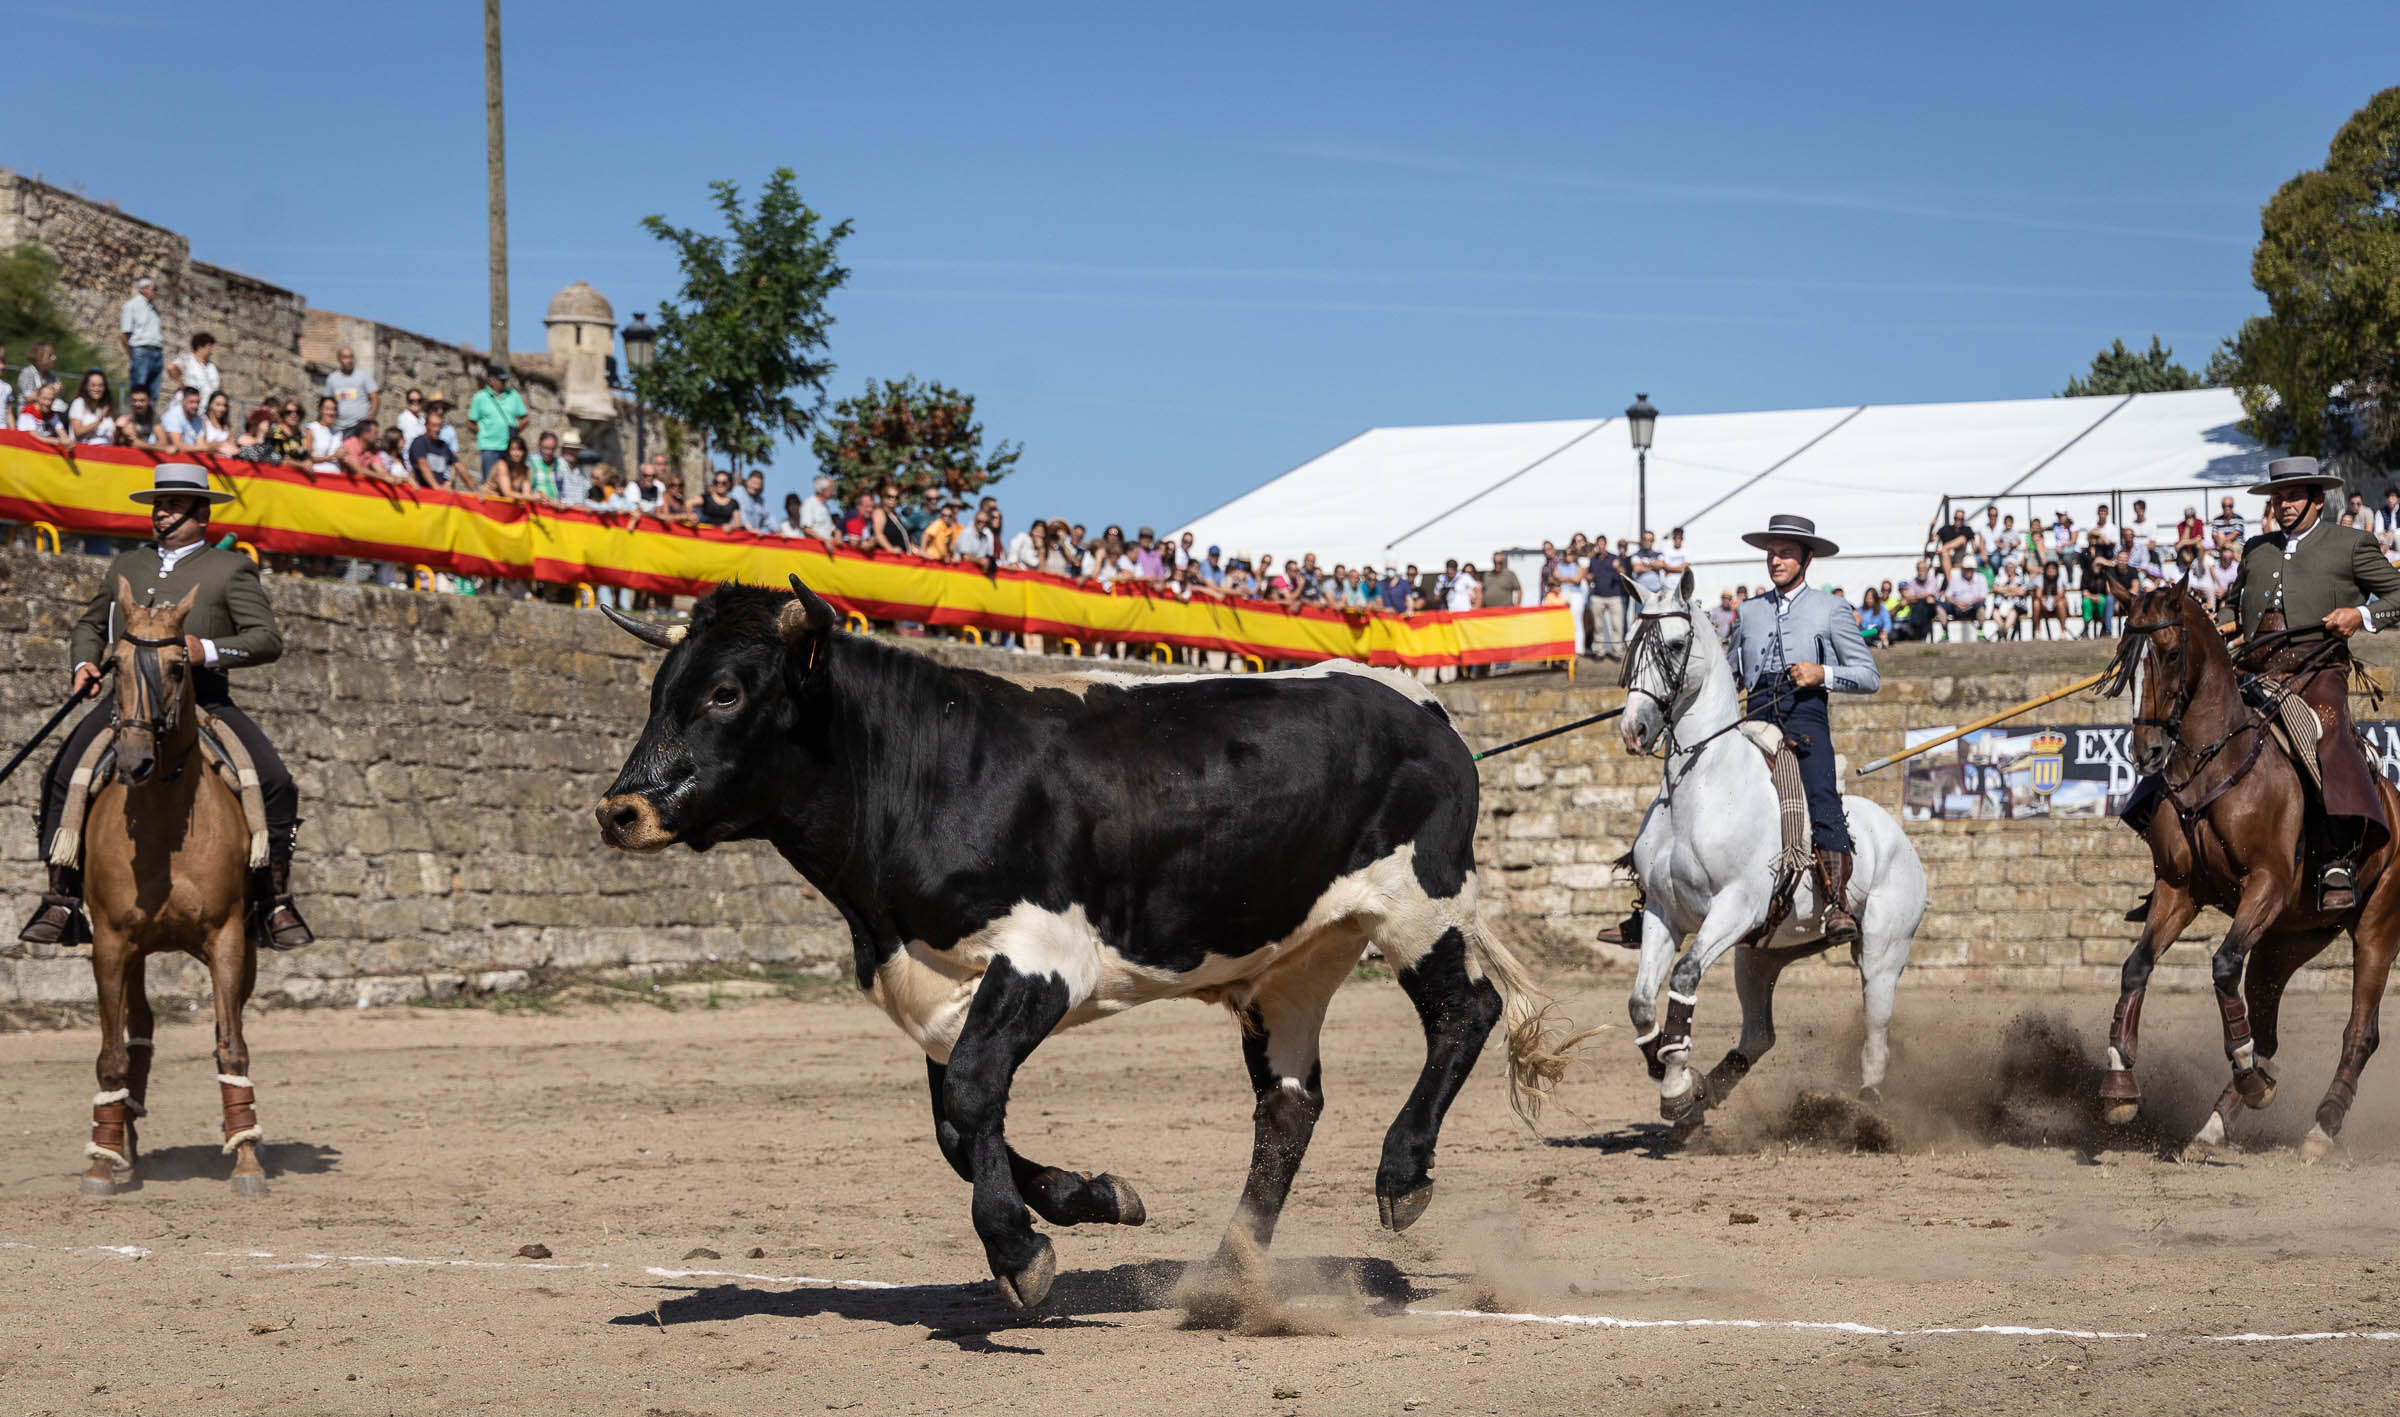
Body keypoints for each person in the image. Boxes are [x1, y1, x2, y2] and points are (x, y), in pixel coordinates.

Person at [14, 463, 312, 952]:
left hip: (204, 701)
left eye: (173, 505)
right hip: (125, 703)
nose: (162, 513)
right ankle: (60, 897)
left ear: (202, 515)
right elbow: (91, 624)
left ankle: (273, 899)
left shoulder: (230, 569)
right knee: (60, 776)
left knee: (276, 782)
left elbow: (267, 639)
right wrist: (84, 664)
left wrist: (206, 651)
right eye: (159, 504)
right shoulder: (126, 566)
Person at [2214, 458, 2400, 909]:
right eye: (2278, 497)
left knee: (2328, 732)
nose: (2284, 504)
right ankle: (2163, 831)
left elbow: (2398, 593)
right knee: (2195, 718)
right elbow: (2231, 607)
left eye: (2294, 496)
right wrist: (2220, 624)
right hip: (2254, 670)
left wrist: (2360, 615)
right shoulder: (2255, 548)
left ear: (2318, 500)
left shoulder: (2352, 543)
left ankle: (2338, 855)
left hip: (2317, 670)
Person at [1723, 513, 1877, 946]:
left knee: (1821, 791)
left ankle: (1836, 902)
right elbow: (1730, 671)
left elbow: (1869, 676)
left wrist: (1821, 673)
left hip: (1805, 713)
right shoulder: (1748, 611)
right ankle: (1657, 899)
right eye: (1771, 553)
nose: (1775, 561)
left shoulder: (1832, 609)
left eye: (1786, 554)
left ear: (1806, 559)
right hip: (1755, 714)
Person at [465, 366, 526, 479]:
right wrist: (483, 433)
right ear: (491, 380)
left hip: (509, 449)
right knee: (490, 482)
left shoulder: (513, 395)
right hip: (489, 448)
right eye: (501, 380)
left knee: (510, 481)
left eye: (505, 380)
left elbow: (525, 418)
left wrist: (515, 432)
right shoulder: (480, 397)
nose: (504, 383)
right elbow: (471, 422)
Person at [119, 277, 165, 404]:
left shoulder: (154, 310)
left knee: (153, 392)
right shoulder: (131, 306)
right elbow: (125, 334)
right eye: (153, 289)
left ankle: (149, 421)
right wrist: (132, 354)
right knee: (139, 390)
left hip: (156, 352)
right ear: (143, 289)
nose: (156, 292)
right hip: (141, 350)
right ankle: (134, 420)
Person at [323, 345, 379, 431]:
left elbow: (375, 398)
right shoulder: (332, 378)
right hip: (338, 427)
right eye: (345, 357)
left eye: (351, 357)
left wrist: (370, 419)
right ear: (339, 359)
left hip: (359, 427)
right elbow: (326, 402)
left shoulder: (363, 375)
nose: (349, 360)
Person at [408, 404, 460, 488]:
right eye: (436, 408)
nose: (440, 410)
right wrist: (436, 487)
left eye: (443, 408)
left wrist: (450, 480)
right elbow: (423, 465)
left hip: (443, 482)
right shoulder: (420, 441)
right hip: (425, 489)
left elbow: (457, 462)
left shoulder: (447, 439)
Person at [164, 332, 221, 408]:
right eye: (209, 346)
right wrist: (183, 385)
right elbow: (171, 367)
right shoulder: (188, 359)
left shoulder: (212, 367)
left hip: (204, 409)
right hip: (186, 407)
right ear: (200, 346)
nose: (211, 351)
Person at [67, 370, 118, 446]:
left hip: (107, 452)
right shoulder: (79, 403)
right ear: (86, 386)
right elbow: (77, 432)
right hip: (85, 453)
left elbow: (113, 439)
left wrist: (120, 429)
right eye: (93, 385)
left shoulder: (107, 406)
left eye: (100, 385)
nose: (97, 389)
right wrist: (99, 421)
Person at [303, 395, 343, 473]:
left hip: (336, 476)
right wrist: (332, 457)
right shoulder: (312, 428)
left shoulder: (338, 433)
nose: (331, 412)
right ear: (320, 410)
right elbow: (308, 458)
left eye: (334, 409)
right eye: (327, 409)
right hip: (318, 475)